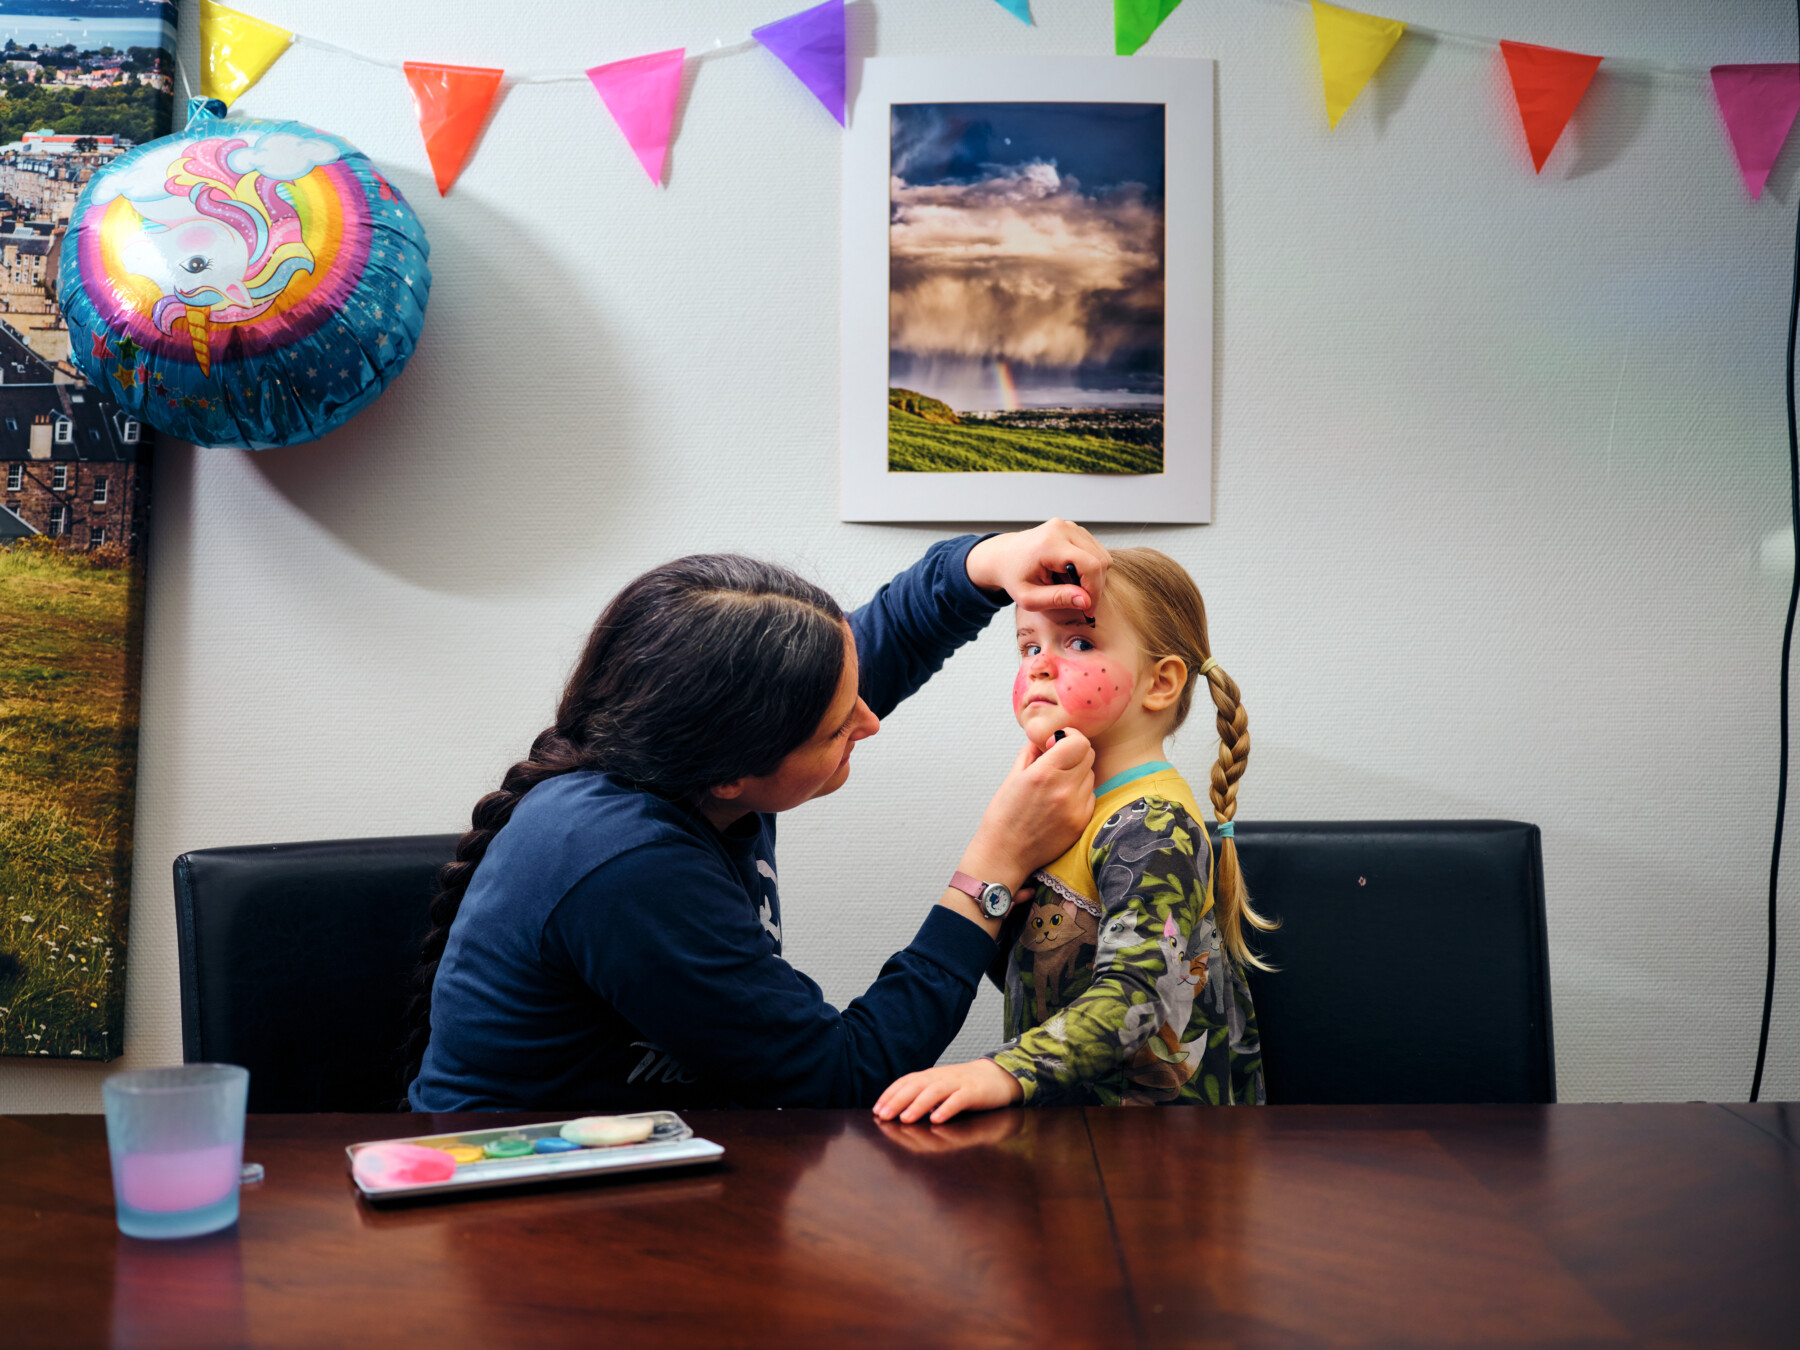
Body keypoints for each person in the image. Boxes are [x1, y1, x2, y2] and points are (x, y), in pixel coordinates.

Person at [404, 522, 1107, 1111]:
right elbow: (841, 1077)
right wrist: (989, 873)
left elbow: (895, 630)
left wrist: (989, 562)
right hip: (519, 1201)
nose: (870, 721)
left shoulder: (691, 747)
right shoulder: (626, 861)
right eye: (838, 729)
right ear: (733, 773)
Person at [873, 548, 1270, 1123]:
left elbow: (1135, 995)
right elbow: (1041, 973)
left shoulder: (1152, 823)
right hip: (1077, 1135)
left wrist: (1001, 1070)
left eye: (1078, 643)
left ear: (1160, 683)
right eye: (1030, 645)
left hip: (1161, 1161)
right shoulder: (1063, 811)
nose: (1037, 664)